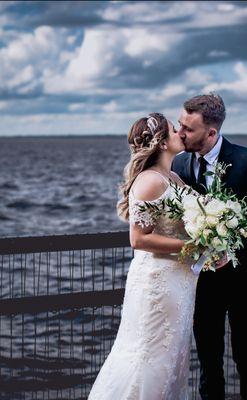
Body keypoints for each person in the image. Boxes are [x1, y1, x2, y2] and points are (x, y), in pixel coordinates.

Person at [172, 93, 247, 400]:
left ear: (211, 133)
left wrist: (230, 244)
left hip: (244, 282)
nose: (180, 134)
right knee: (208, 367)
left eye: (188, 129)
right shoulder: (179, 163)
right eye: (180, 126)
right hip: (201, 284)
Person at [88, 112, 202, 399]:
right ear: (162, 143)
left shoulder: (172, 176)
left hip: (180, 281)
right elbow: (138, 239)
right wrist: (193, 245)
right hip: (158, 283)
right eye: (175, 130)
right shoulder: (149, 181)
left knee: (171, 358)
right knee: (149, 358)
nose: (181, 134)